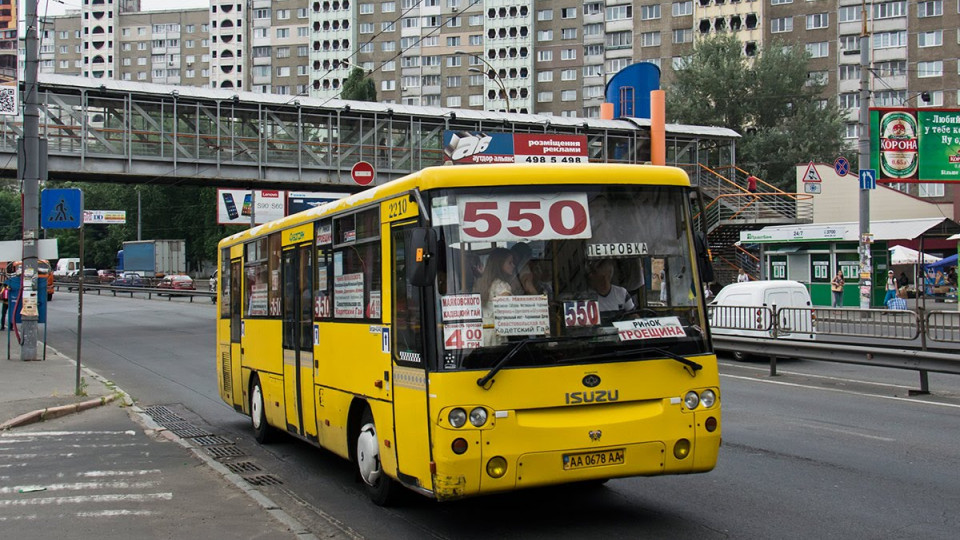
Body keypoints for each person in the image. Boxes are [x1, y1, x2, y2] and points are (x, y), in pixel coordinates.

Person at [473, 248, 516, 346]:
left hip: (481, 332)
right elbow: (508, 313)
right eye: (510, 262)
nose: (513, 266)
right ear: (500, 264)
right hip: (496, 333)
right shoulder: (502, 286)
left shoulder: (481, 283)